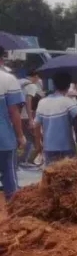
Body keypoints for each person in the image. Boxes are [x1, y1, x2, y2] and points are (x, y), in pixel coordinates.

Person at [34, 71, 77, 167]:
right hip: (67, 146)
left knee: (52, 174)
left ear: (54, 85)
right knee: (69, 174)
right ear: (68, 86)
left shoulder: (42, 102)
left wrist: (38, 144)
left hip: (49, 147)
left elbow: (36, 125)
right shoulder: (68, 102)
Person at [0, 48, 26, 200]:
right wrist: (20, 136)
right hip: (4, 139)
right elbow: (14, 112)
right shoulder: (8, 79)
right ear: (2, 59)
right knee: (9, 177)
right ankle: (12, 210)